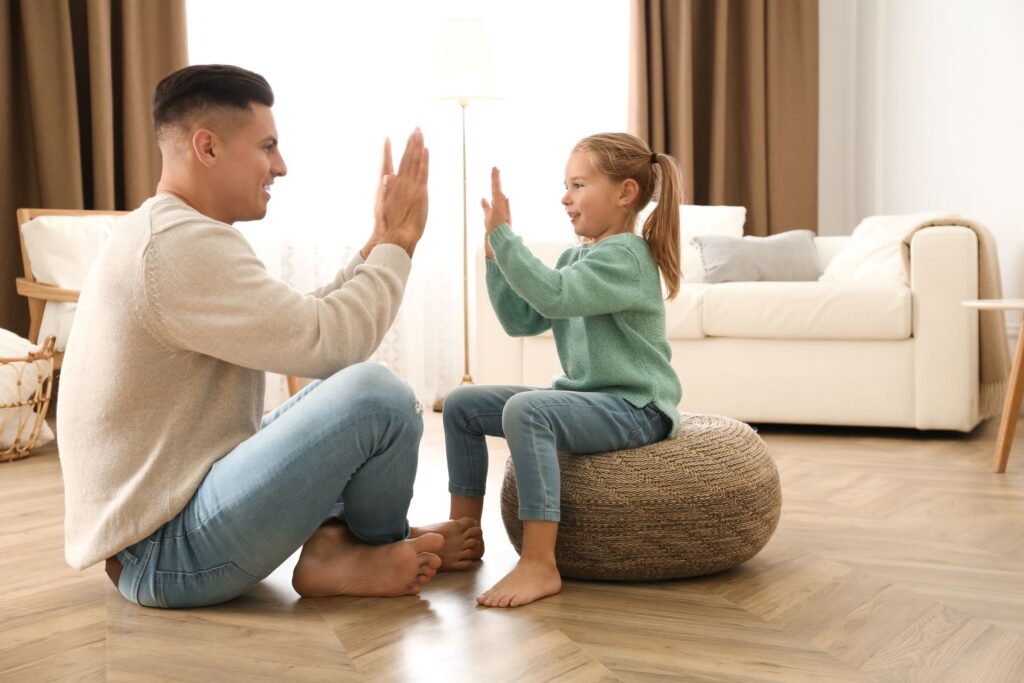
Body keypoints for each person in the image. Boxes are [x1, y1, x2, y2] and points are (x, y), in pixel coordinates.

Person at [56, 64, 481, 609]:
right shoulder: (175, 247)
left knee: (360, 396)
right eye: (267, 146)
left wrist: (379, 240)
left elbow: (306, 322)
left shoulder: (172, 232)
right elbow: (333, 343)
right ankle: (367, 548)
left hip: (172, 523)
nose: (280, 166)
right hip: (166, 556)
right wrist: (399, 239)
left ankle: (344, 549)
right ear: (206, 147)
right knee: (379, 396)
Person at [442, 133, 684, 607]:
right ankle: (463, 535)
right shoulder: (579, 256)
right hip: (592, 401)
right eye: (565, 185)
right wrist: (496, 257)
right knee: (461, 405)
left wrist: (505, 238)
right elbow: (523, 319)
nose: (565, 196)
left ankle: (539, 562)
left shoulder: (627, 257)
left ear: (625, 193)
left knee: (527, 411)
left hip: (636, 407)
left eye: (577, 184)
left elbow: (553, 293)